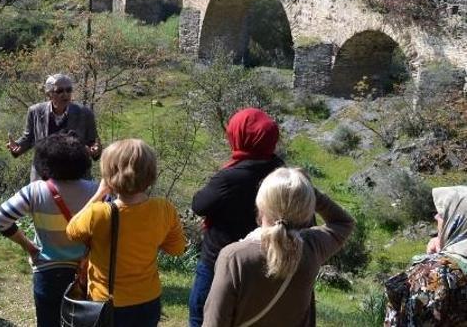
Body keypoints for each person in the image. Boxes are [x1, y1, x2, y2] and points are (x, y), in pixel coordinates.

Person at [202, 168, 354, 326]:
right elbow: (343, 222)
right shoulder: (311, 247)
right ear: (307, 209)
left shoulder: (235, 257)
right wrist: (307, 192)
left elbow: (214, 323)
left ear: (260, 204)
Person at [67, 139, 186, 326]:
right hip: (148, 300)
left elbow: (71, 231)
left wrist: (98, 194)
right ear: (151, 173)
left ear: (109, 176)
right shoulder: (164, 209)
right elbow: (177, 249)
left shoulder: (98, 213)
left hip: (107, 302)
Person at [188, 108, 284, 327]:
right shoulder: (280, 173)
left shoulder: (230, 177)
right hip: (266, 262)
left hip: (218, 264)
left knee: (202, 316)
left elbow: (199, 204)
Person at [0, 132, 97, 327]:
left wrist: (29, 247)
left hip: (47, 273)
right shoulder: (96, 191)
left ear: (44, 162)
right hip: (86, 273)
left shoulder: (35, 190)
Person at [384, 186, 467, 326]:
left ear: (456, 221)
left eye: (442, 213)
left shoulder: (431, 274)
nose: (436, 217)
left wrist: (431, 263)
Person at [7, 74, 101, 182]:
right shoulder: (35, 111)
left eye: (68, 90)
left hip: (75, 177)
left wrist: (96, 150)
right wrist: (17, 147)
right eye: (60, 91)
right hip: (43, 177)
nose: (65, 94)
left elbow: (93, 142)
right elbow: (28, 138)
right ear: (49, 94)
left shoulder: (85, 113)